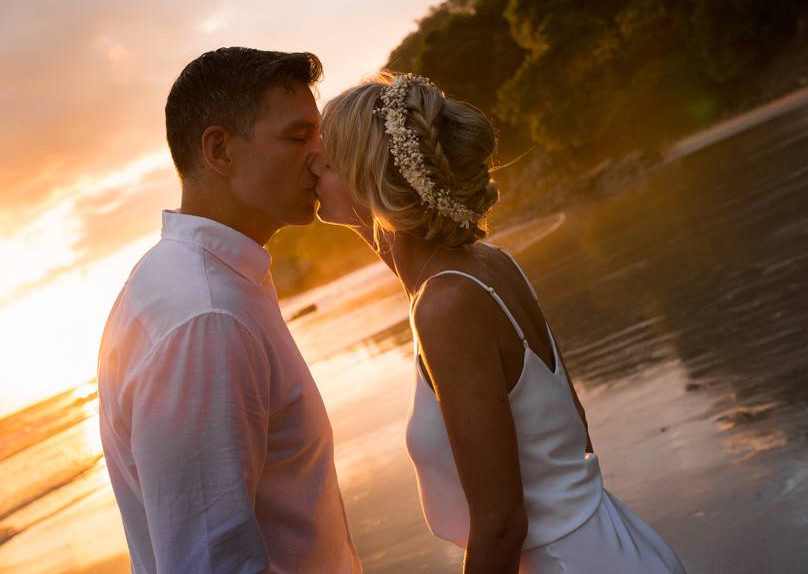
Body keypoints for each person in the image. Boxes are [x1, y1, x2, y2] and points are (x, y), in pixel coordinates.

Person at [313, 72, 687, 573]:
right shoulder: (490, 263)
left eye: (328, 159)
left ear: (368, 178)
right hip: (616, 543)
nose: (312, 164)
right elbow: (575, 433)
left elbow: (502, 524)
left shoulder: (445, 303)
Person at [97, 47, 362, 574]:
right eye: (297, 136)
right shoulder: (207, 318)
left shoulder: (208, 285)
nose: (321, 155)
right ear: (220, 150)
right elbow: (210, 563)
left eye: (319, 134)